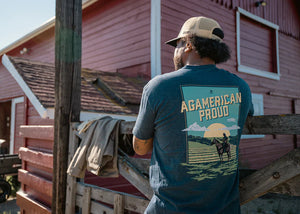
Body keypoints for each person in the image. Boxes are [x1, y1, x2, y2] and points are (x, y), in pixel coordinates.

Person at [132, 16, 254, 214]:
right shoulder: (241, 87)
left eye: (177, 45)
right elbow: (246, 115)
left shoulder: (159, 86)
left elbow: (140, 146)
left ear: (188, 45)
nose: (175, 51)